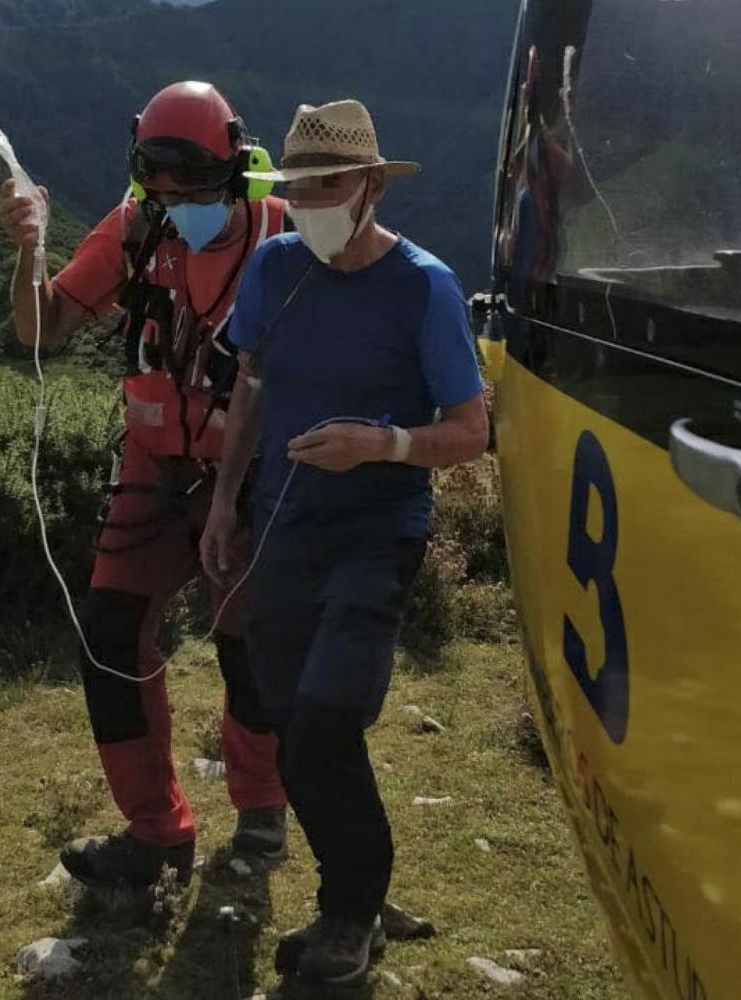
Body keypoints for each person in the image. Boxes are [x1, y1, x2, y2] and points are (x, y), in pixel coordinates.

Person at [200, 99, 489, 983]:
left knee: (327, 719)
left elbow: (472, 430)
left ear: (369, 186)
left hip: (377, 532)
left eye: (329, 186)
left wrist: (384, 444)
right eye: (300, 188)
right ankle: (363, 884)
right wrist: (223, 502)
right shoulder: (274, 267)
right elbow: (248, 386)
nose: (311, 202)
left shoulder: (424, 286)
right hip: (286, 524)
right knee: (294, 724)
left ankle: (348, 917)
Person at [0, 81, 290, 890]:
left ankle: (262, 811)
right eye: (158, 186)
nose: (176, 204)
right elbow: (41, 325)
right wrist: (29, 249)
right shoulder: (135, 232)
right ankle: (158, 833)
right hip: (153, 467)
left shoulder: (283, 237)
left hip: (255, 471)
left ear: (233, 166)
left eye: (191, 188)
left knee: (248, 648)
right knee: (109, 639)